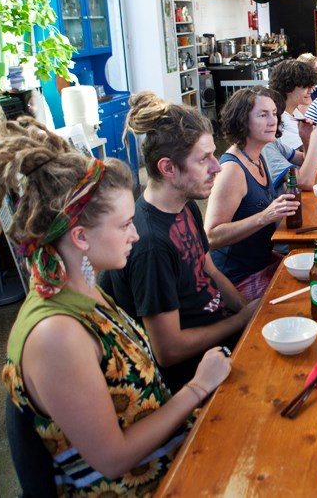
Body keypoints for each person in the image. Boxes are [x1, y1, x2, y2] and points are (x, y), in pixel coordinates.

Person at [0, 112, 232, 495]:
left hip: (170, 454)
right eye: (124, 225)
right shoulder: (56, 335)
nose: (135, 234)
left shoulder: (84, 287)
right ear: (81, 237)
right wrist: (199, 387)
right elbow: (113, 459)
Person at [101, 92, 252, 391]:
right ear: (168, 168)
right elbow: (168, 351)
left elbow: (209, 270)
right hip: (194, 373)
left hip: (221, 334)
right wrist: (241, 321)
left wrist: (249, 312)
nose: (217, 167)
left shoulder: (185, 203)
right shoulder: (150, 245)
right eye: (203, 159)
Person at [204, 88, 301, 303]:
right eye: (262, 114)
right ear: (242, 121)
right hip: (239, 280)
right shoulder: (232, 170)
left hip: (263, 264)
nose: (272, 120)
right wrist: (264, 216)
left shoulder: (257, 156)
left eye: (274, 113)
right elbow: (210, 237)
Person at [268, 59, 317, 150]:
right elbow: (311, 151)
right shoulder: (280, 120)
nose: (311, 91)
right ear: (289, 86)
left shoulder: (294, 111)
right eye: (306, 86)